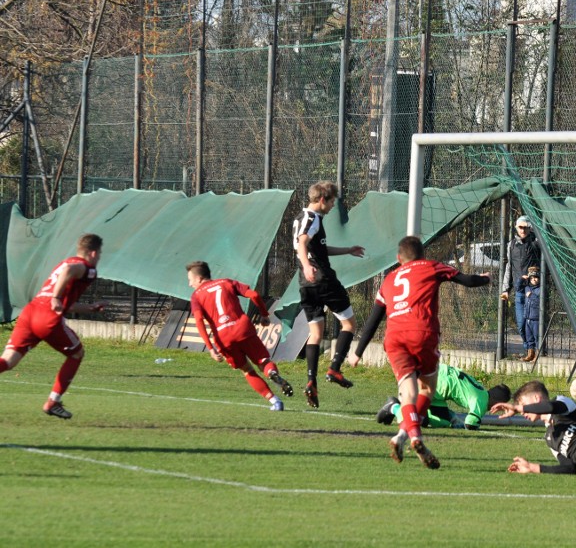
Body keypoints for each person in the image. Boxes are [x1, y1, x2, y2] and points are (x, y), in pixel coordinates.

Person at [352, 236, 490, 469]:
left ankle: (405, 437)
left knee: (408, 391)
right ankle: (412, 437)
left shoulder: (389, 279)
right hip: (421, 333)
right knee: (426, 388)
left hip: (394, 338)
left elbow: (374, 319)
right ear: (422, 255)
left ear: (399, 259)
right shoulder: (431, 266)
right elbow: (466, 280)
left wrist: (358, 352)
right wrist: (485, 279)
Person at [0, 233, 107, 419]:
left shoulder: (64, 262)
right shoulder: (86, 267)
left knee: (8, 361)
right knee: (77, 354)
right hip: (46, 315)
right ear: (92, 253)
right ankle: (53, 401)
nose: (99, 258)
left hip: (31, 312)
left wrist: (88, 308)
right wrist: (57, 297)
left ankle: (54, 402)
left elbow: (62, 297)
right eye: (99, 254)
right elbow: (68, 273)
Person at [293, 180, 365, 408]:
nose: (333, 205)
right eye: (332, 200)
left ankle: (311, 382)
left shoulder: (299, 218)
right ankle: (334, 368)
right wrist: (307, 265)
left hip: (306, 284)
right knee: (349, 324)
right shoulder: (313, 219)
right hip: (322, 279)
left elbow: (316, 248)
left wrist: (347, 250)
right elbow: (303, 244)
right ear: (323, 199)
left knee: (315, 334)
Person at [186, 261, 293, 411]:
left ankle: (275, 401)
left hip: (224, 338)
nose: (190, 284)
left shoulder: (196, 296)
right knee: (263, 361)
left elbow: (198, 320)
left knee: (247, 370)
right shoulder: (226, 282)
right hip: (243, 328)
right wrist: (264, 314)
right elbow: (254, 294)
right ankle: (272, 373)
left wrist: (210, 348)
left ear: (198, 278)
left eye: (190, 280)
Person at [376, 362, 511, 430]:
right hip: (437, 384)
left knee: (444, 422)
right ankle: (393, 407)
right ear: (498, 402)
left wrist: (452, 417)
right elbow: (470, 424)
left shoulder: (481, 390)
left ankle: (399, 408)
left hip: (439, 378)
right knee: (415, 420)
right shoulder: (482, 402)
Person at [500, 215, 541, 359]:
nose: (523, 230)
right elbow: (509, 267)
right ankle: (529, 349)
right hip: (519, 290)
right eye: (520, 227)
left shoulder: (536, 243)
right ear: (516, 227)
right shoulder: (511, 245)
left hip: (535, 291)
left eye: (526, 227)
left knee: (534, 324)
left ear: (530, 228)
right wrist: (505, 289)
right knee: (521, 324)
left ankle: (536, 350)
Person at [522, 266, 541, 362]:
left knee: (537, 337)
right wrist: (521, 279)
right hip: (527, 317)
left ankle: (538, 355)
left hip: (536, 318)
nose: (534, 279)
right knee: (529, 337)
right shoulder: (527, 288)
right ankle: (530, 354)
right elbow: (518, 286)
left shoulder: (540, 289)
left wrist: (531, 295)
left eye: (536, 277)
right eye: (532, 278)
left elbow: (540, 302)